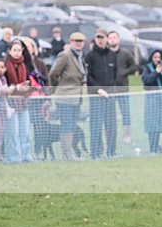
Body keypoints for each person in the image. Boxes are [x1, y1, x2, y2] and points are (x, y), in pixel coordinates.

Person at [49, 32, 87, 160]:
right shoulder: (65, 55)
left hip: (76, 98)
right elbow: (53, 73)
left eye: (81, 41)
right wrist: (56, 87)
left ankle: (69, 153)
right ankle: (67, 153)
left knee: (72, 124)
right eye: (76, 40)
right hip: (64, 97)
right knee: (66, 124)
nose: (78, 43)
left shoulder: (81, 57)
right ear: (71, 42)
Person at [84, 28, 118, 158]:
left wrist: (109, 90)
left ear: (106, 39)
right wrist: (98, 89)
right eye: (98, 38)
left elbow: (114, 75)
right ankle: (96, 153)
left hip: (110, 96)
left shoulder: (112, 55)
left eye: (102, 37)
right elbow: (87, 76)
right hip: (96, 96)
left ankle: (111, 152)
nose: (100, 40)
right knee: (96, 126)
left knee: (111, 126)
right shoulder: (89, 56)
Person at [3, 39, 33, 162]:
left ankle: (26, 156)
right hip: (10, 102)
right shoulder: (4, 66)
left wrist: (27, 86)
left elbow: (28, 81)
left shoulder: (24, 65)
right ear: (9, 52)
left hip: (23, 102)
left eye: (19, 50)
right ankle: (13, 157)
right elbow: (3, 86)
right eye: (14, 50)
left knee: (25, 131)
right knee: (13, 132)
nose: (17, 52)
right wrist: (16, 87)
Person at [108, 30, 139, 144]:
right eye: (110, 38)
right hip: (109, 89)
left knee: (125, 112)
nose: (112, 40)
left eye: (114, 37)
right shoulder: (106, 54)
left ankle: (126, 136)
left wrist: (124, 72)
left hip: (123, 88)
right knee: (109, 114)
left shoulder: (125, 53)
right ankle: (109, 135)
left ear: (118, 39)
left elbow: (134, 66)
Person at [141, 49, 162, 154]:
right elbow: (146, 81)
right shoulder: (147, 69)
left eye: (159, 57)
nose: (157, 59)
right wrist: (156, 72)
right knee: (153, 126)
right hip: (152, 102)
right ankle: (153, 148)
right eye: (155, 57)